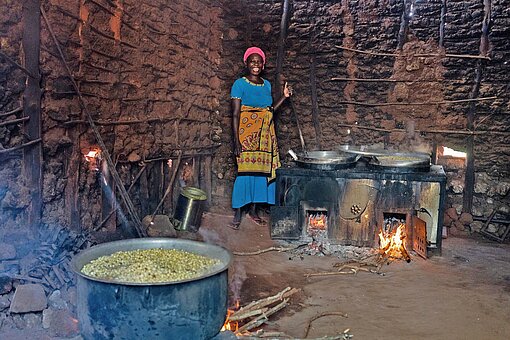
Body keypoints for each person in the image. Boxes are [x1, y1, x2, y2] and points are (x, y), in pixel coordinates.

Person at [228, 46, 292, 230]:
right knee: (244, 172)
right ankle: (238, 212)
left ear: (263, 65)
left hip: (265, 136)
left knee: (261, 174)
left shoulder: (267, 85)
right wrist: (236, 141)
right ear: (246, 63)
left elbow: (269, 110)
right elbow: (235, 114)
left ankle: (254, 211)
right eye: (252, 61)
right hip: (246, 135)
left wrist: (284, 97)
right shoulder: (239, 84)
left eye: (259, 62)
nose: (255, 65)